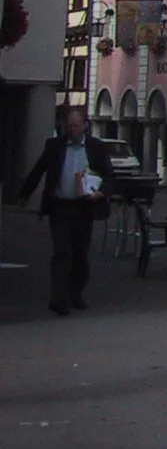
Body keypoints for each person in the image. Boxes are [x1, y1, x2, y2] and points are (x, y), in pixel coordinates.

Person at [16, 107, 114, 315]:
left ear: (85, 126)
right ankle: (58, 298)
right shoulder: (55, 146)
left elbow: (109, 176)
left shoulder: (97, 148)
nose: (72, 130)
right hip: (60, 206)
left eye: (76, 126)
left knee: (80, 254)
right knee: (62, 252)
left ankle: (75, 293)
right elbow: (39, 169)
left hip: (85, 207)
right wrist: (24, 194)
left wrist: (101, 193)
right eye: (68, 126)